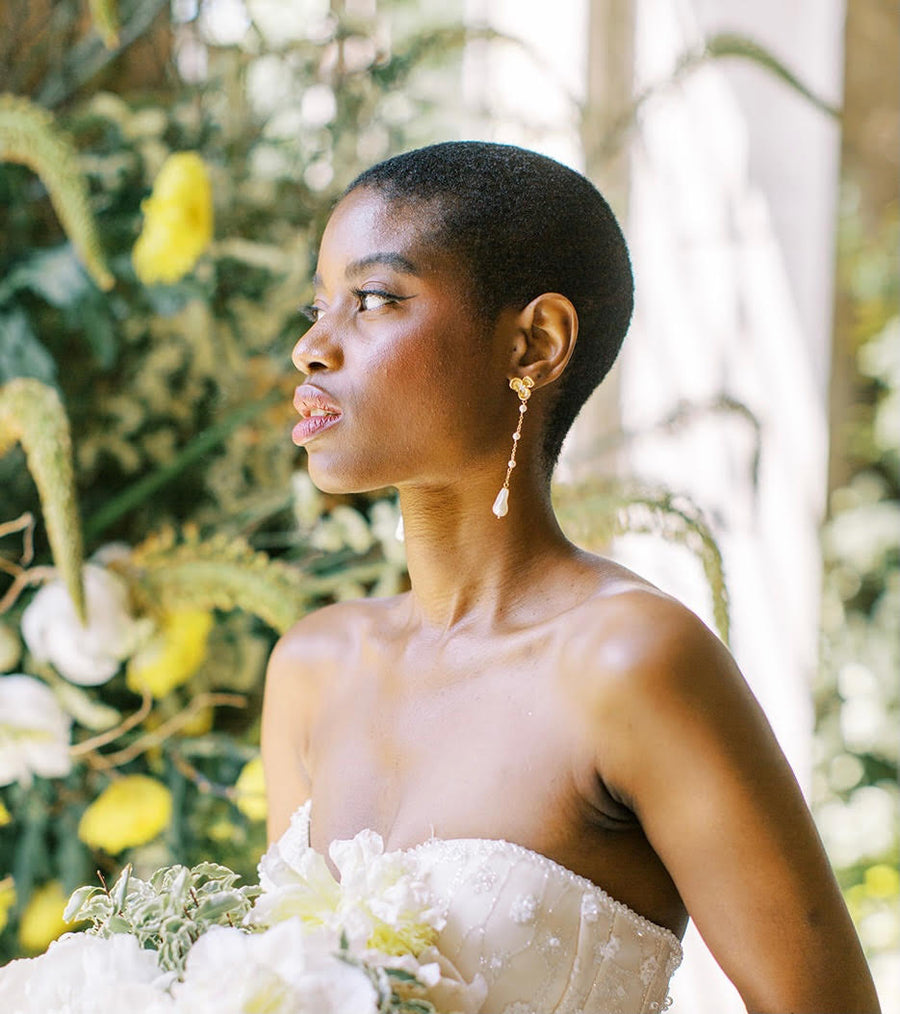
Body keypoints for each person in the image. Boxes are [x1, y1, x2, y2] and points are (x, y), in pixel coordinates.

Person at [261, 141, 880, 1013]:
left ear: (535, 343)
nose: (312, 348)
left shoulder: (632, 661)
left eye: (373, 300)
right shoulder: (311, 667)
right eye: (317, 306)